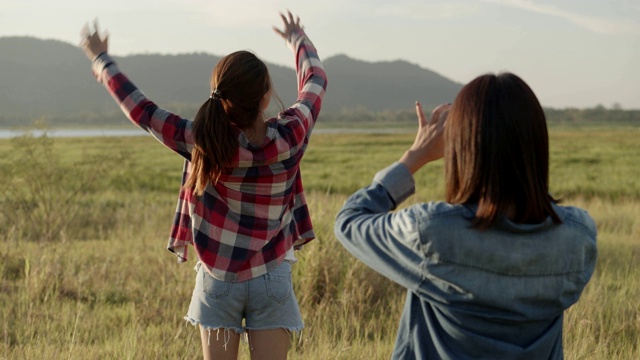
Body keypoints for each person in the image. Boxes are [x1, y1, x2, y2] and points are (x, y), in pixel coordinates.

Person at [81, 11, 327, 360]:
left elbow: (142, 110)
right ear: (265, 97)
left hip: (218, 281)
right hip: (272, 276)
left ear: (220, 95)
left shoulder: (201, 140)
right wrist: (297, 38)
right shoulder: (292, 133)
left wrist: (101, 60)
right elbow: (316, 79)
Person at [334, 73, 596, 359]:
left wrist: (414, 156)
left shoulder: (432, 232)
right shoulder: (577, 236)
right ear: (536, 144)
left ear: (462, 149)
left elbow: (350, 221)